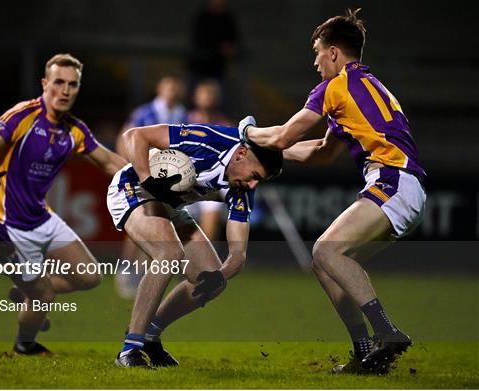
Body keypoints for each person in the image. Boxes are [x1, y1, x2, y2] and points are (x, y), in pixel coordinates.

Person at [239, 9, 426, 374]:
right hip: (404, 185)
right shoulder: (365, 87)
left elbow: (282, 135)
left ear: (335, 53)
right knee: (326, 263)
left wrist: (249, 133)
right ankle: (365, 354)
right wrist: (271, 150)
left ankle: (387, 332)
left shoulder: (336, 86)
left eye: (318, 53)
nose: (315, 62)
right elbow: (321, 153)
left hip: (393, 180)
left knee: (326, 250)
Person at [0, 53, 126, 355]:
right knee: (44, 295)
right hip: (3, 223)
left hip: (40, 216)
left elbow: (108, 161)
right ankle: (24, 344)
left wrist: (144, 179)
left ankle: (28, 290)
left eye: (72, 85)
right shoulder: (23, 116)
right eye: (59, 83)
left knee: (89, 276)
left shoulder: (74, 129)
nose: (65, 90)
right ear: (44, 83)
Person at [107, 122, 283, 368]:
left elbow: (238, 254)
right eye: (254, 176)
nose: (252, 185)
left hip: (170, 204)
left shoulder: (241, 191)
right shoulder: (206, 141)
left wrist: (219, 276)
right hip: (134, 189)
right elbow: (134, 135)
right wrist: (148, 180)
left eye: (259, 182)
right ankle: (129, 350)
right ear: (242, 153)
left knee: (208, 280)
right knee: (168, 253)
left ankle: (150, 336)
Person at [114, 74, 188, 299]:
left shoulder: (183, 114)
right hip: (141, 174)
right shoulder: (145, 112)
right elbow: (124, 137)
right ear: (160, 88)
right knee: (138, 219)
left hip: (166, 177)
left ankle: (143, 273)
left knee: (158, 222)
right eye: (168, 86)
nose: (172, 91)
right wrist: (125, 165)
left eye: (176, 87)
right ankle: (127, 268)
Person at [185, 79, 233, 241]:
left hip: (211, 183)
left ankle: (204, 264)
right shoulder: (183, 121)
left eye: (212, 94)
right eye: (204, 93)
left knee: (211, 217)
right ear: (195, 97)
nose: (208, 97)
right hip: (184, 181)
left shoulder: (225, 126)